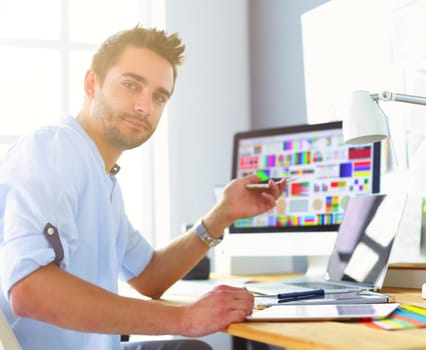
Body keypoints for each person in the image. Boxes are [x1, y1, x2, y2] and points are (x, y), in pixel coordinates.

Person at [0, 25, 287, 349]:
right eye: (131, 85)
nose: (144, 107)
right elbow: (30, 290)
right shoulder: (54, 150)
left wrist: (222, 214)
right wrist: (185, 319)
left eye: (158, 96)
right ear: (92, 83)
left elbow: (150, 276)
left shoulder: (103, 180)